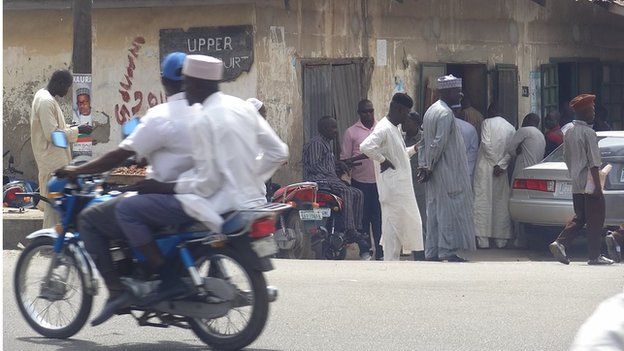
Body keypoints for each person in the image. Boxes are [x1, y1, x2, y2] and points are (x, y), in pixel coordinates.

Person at [56, 52, 196, 325]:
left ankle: (118, 290)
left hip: (170, 197)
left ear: (163, 81)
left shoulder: (160, 115)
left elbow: (118, 156)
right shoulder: (203, 111)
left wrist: (77, 169)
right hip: (200, 194)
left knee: (91, 218)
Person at [549, 94, 614, 265]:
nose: (593, 112)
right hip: (590, 182)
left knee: (581, 217)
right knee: (596, 219)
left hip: (576, 181)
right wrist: (598, 190)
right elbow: (594, 162)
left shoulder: (568, 131)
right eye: (591, 109)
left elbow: (565, 157)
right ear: (584, 112)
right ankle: (594, 256)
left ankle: (560, 242)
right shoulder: (589, 133)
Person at [418, 75, 476, 262]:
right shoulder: (445, 114)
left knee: (434, 211)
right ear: (447, 92)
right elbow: (437, 143)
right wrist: (428, 166)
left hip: (435, 172)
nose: (460, 96)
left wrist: (424, 165)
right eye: (456, 92)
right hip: (446, 171)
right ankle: (447, 251)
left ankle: (432, 252)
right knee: (448, 212)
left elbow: (423, 142)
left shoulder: (430, 111)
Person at [360, 93, 424, 261]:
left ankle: (391, 260)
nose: (407, 117)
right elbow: (365, 147)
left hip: (400, 189)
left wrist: (414, 149)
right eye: (406, 113)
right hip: (393, 189)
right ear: (398, 109)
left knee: (395, 226)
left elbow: (400, 155)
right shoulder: (384, 128)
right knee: (393, 226)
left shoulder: (394, 128)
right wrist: (383, 160)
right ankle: (389, 261)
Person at [30, 69, 92, 229]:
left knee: (58, 208)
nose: (67, 91)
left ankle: (53, 245)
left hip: (55, 162)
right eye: (67, 87)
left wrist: (76, 128)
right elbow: (53, 135)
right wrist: (79, 131)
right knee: (53, 208)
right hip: (52, 164)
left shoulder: (45, 97)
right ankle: (49, 245)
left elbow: (57, 129)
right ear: (60, 84)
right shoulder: (45, 101)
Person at [303, 116, 371, 260]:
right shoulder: (316, 143)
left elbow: (327, 165)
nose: (335, 131)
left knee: (357, 193)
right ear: (323, 129)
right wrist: (332, 173)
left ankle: (355, 228)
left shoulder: (327, 144)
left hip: (329, 179)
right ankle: (349, 228)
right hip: (319, 180)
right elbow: (315, 166)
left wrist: (338, 165)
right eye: (332, 128)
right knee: (346, 191)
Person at [341, 99, 383, 260]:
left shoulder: (381, 129)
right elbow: (345, 158)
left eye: (371, 111)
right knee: (363, 219)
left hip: (379, 182)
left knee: (379, 219)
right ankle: (365, 250)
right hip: (360, 182)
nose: (369, 114)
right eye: (365, 111)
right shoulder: (351, 132)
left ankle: (380, 252)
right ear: (359, 113)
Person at [473, 103, 516, 249]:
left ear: (491, 111)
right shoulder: (511, 127)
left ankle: (482, 239)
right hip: (500, 170)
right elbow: (511, 150)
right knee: (500, 202)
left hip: (486, 167)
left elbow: (485, 144)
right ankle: (501, 239)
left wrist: (493, 163)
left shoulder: (486, 122)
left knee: (482, 200)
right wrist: (501, 165)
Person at [403, 111, 427, 243]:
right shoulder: (400, 138)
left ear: (416, 123)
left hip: (420, 185)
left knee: (423, 217)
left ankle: (425, 248)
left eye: (407, 121)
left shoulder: (424, 138)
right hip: (404, 183)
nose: (403, 123)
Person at [506, 113, 546, 182]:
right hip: (536, 171)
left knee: (517, 191)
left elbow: (510, 150)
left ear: (526, 121)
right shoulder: (541, 135)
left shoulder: (523, 131)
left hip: (523, 169)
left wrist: (516, 152)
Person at [452, 104, 479, 183]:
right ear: (459, 111)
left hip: (443, 177)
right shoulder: (469, 128)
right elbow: (472, 154)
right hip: (465, 175)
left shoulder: (440, 127)